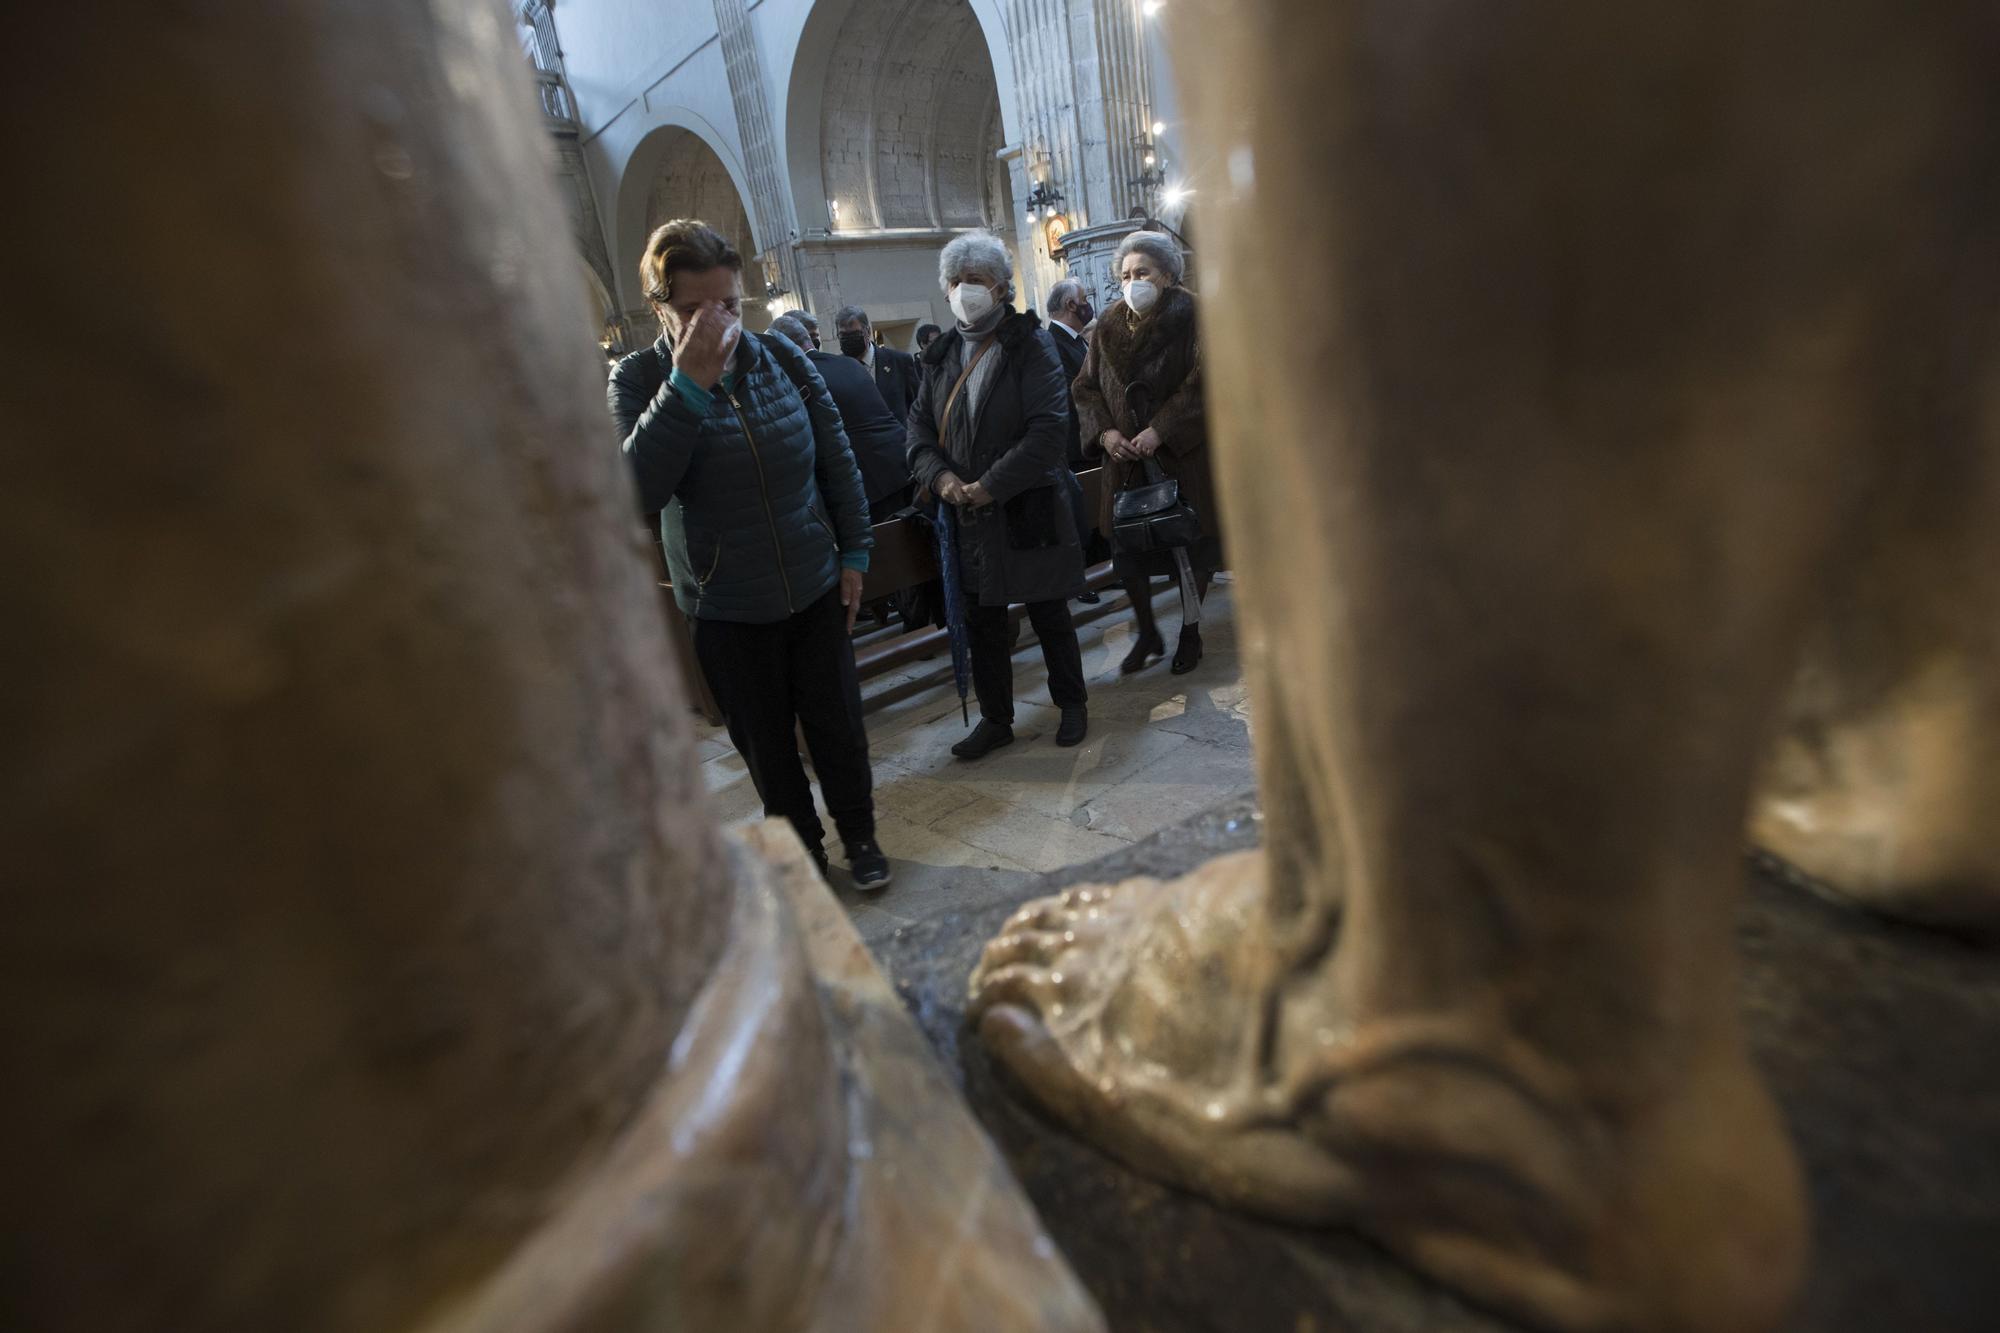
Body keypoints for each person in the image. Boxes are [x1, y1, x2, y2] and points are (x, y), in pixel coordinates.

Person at [609, 220, 892, 889]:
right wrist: (687, 386)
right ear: (660, 308)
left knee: (838, 727)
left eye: (730, 304)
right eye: (693, 309)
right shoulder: (637, 376)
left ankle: (861, 835)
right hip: (726, 603)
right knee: (768, 749)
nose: (719, 321)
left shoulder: (782, 359)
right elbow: (636, 490)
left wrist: (854, 551)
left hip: (812, 582)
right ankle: (804, 856)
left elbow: (837, 460)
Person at [907, 232, 1089, 759]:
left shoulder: (1030, 345)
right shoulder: (940, 354)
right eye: (956, 281)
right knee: (982, 622)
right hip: (965, 512)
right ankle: (996, 718)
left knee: (1048, 610)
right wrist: (942, 480)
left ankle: (1072, 702)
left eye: (976, 281)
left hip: (1024, 501)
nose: (965, 290)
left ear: (1003, 287)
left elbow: (1048, 432)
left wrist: (990, 485)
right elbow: (916, 432)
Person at [1074, 229, 1220, 676]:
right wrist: (1105, 433)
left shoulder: (1195, 315)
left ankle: (1190, 633)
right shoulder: (1107, 324)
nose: (1131, 281)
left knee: (1191, 550)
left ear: (1168, 275)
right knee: (1128, 555)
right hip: (1125, 462)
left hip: (1181, 454)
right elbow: (1085, 387)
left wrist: (1162, 428)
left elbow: (1206, 379)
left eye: (1142, 272)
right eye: (1125, 274)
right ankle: (1147, 631)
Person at [769, 314, 912, 523]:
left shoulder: (801, 378)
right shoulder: (848, 363)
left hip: (869, 482)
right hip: (902, 462)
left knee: (891, 550)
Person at [1044, 277, 1104, 604]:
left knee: (1095, 508)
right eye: (1083, 298)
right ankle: (1087, 576)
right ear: (1070, 305)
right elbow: (1070, 394)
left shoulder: (1076, 340)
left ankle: (1101, 568)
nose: (1086, 303)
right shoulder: (1052, 342)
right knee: (1081, 512)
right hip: (1076, 442)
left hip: (1090, 437)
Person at [836, 304, 922, 423]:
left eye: (855, 334)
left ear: (868, 331)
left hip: (898, 437)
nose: (849, 339)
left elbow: (918, 405)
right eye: (843, 335)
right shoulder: (837, 368)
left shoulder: (899, 361)